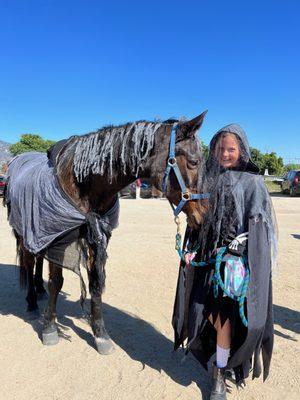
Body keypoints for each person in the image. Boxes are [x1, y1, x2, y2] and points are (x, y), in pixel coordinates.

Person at [172, 124, 278, 400]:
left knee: (224, 322)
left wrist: (242, 242)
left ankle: (219, 375)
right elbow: (197, 219)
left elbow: (259, 223)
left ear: (241, 150)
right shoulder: (207, 179)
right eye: (221, 149)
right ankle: (218, 357)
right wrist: (191, 248)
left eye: (231, 149)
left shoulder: (253, 182)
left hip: (235, 270)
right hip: (208, 263)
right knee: (203, 315)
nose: (226, 154)